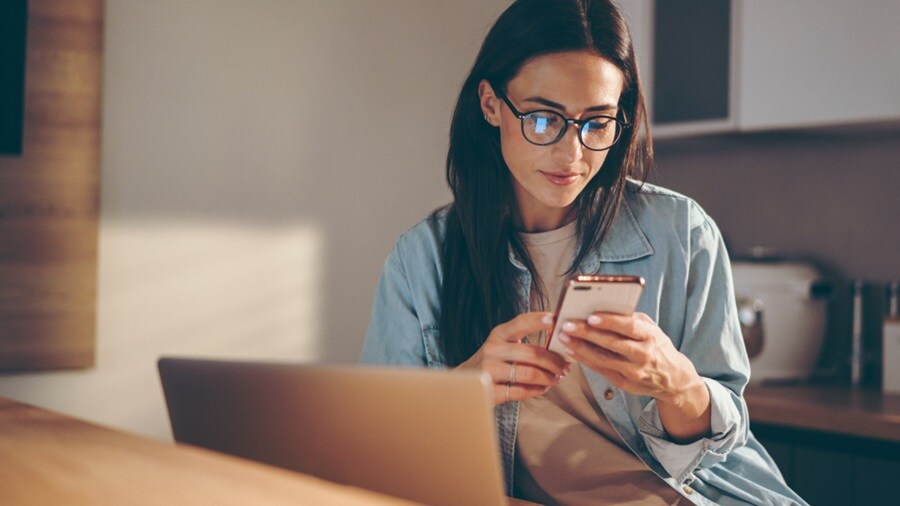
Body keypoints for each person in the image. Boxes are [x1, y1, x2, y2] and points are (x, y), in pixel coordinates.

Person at [360, 0, 806, 504]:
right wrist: (469, 385)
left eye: (596, 123)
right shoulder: (423, 259)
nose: (572, 154)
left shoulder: (681, 231)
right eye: (544, 119)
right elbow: (378, 442)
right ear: (490, 104)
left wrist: (676, 383)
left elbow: (723, 442)